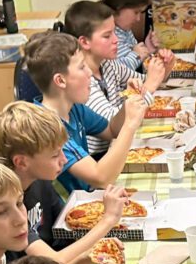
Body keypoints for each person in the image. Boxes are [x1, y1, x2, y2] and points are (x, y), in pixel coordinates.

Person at [0, 101, 129, 264]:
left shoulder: (38, 179)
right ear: (21, 162)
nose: (63, 160)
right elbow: (52, 262)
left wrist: (96, 246)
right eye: (55, 155)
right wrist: (107, 220)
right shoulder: (8, 204)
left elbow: (66, 231)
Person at [24, 31, 148, 194]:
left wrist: (127, 103)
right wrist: (130, 125)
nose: (90, 72)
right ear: (60, 80)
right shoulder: (47, 128)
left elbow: (111, 130)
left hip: (88, 195)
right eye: (82, 67)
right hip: (70, 206)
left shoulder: (73, 107)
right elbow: (101, 177)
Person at [62, 0, 173, 156]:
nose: (116, 40)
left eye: (114, 32)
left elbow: (144, 81)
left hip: (118, 146)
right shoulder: (82, 79)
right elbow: (112, 124)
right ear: (85, 42)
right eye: (107, 36)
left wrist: (164, 68)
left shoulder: (107, 64)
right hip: (100, 156)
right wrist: (149, 86)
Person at [102, 0, 160, 71]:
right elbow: (117, 71)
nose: (138, 19)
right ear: (119, 6)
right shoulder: (108, 36)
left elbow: (136, 66)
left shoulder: (125, 30)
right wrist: (137, 56)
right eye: (136, 12)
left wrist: (147, 50)